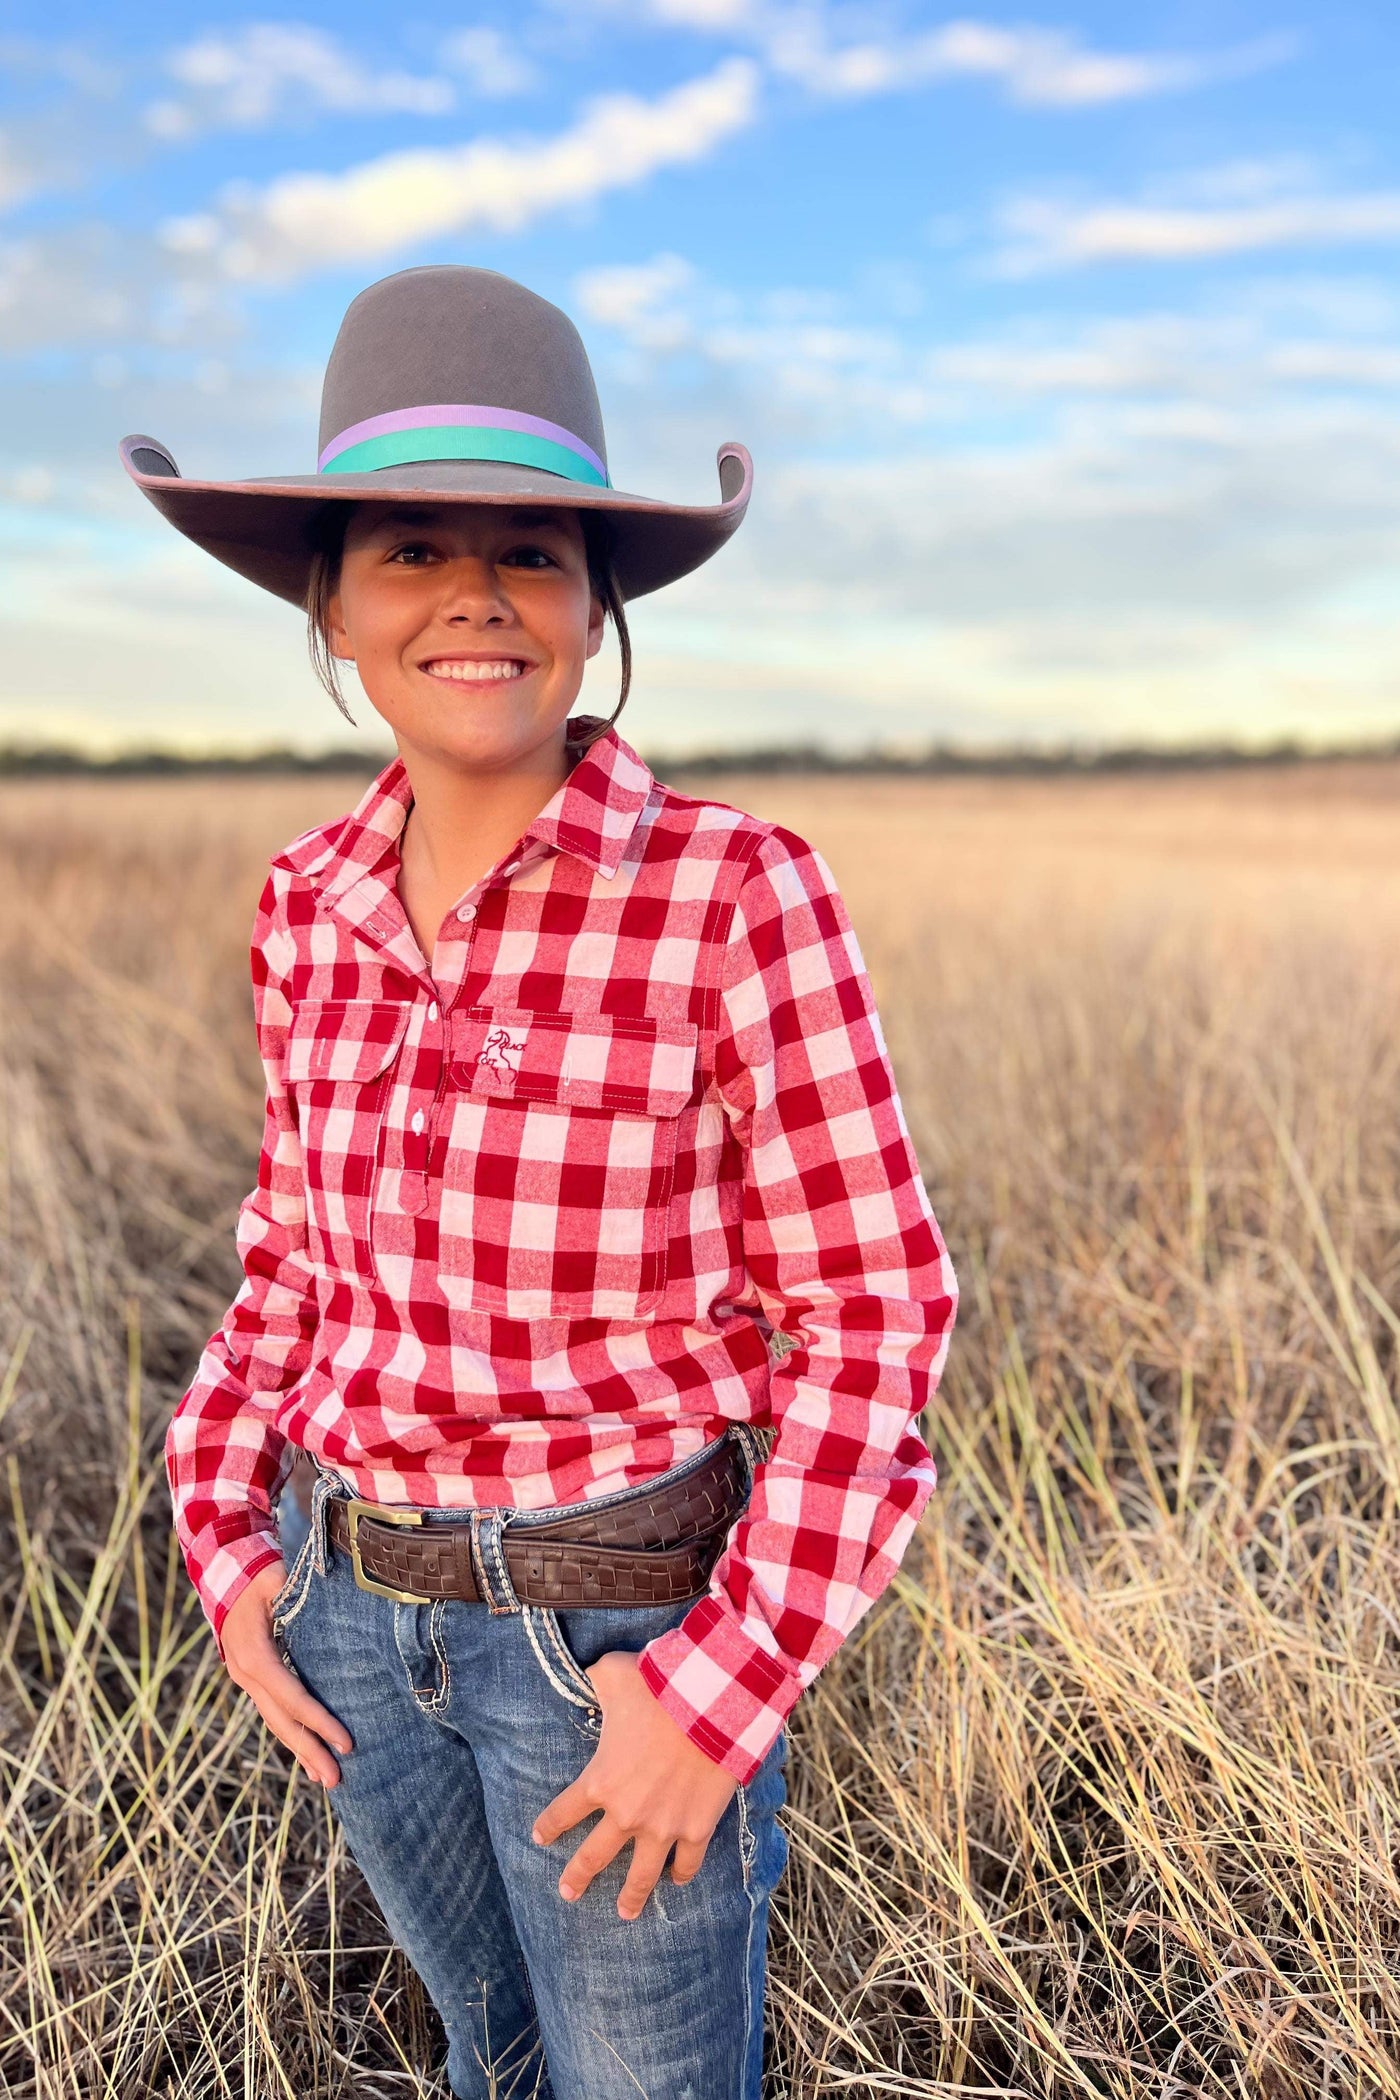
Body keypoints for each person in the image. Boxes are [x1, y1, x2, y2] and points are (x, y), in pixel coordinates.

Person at [124, 264, 957, 2100]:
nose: (476, 597)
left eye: (535, 551)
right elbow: (290, 1267)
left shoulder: (735, 893)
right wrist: (229, 1540)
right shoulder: (305, 905)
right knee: (486, 2062)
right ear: (331, 607)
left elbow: (876, 1313)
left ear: (596, 611)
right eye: (413, 548)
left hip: (618, 1637)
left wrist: (715, 1694)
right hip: (353, 1621)